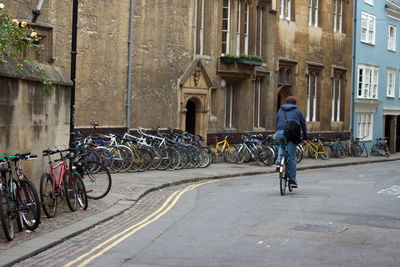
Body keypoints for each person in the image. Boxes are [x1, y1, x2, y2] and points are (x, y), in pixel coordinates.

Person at [275, 96, 307, 188]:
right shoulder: (298, 112)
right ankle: (292, 180)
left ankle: (278, 162)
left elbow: (276, 122)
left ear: (286, 102)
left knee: (281, 146)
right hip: (292, 134)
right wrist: (304, 137)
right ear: (295, 103)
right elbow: (303, 125)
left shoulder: (280, 110)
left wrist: (278, 132)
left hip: (280, 132)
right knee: (292, 157)